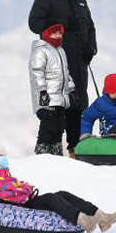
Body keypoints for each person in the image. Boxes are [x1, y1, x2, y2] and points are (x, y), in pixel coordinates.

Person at [0, 140, 116, 233]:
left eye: (4, 156)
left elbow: (13, 186)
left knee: (62, 194)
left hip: (26, 199)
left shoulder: (2, 172)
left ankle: (101, 217)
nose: (3, 159)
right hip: (18, 205)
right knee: (52, 198)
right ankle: (84, 221)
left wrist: (24, 187)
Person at [28, 0, 97, 157]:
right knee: (56, 107)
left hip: (79, 63)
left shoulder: (81, 1)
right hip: (55, 63)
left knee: (77, 105)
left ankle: (75, 149)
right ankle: (50, 151)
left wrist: (91, 48)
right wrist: (62, 23)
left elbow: (91, 27)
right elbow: (34, 23)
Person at [30, 22, 76, 156]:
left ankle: (56, 152)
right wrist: (42, 91)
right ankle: (42, 152)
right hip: (47, 98)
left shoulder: (61, 51)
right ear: (46, 33)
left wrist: (71, 89)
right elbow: (36, 72)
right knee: (48, 126)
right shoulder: (41, 50)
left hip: (61, 98)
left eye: (60, 33)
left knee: (59, 127)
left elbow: (65, 72)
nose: (58, 35)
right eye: (55, 32)